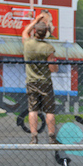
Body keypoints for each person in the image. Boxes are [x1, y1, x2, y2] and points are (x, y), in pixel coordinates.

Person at [22, 13, 58, 144]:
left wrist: (36, 20)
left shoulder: (27, 44)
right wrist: (56, 65)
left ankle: (34, 136)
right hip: (45, 82)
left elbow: (25, 32)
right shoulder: (48, 48)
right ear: (46, 33)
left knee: (33, 110)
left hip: (31, 81)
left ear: (35, 32)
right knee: (49, 110)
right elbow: (52, 68)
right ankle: (51, 137)